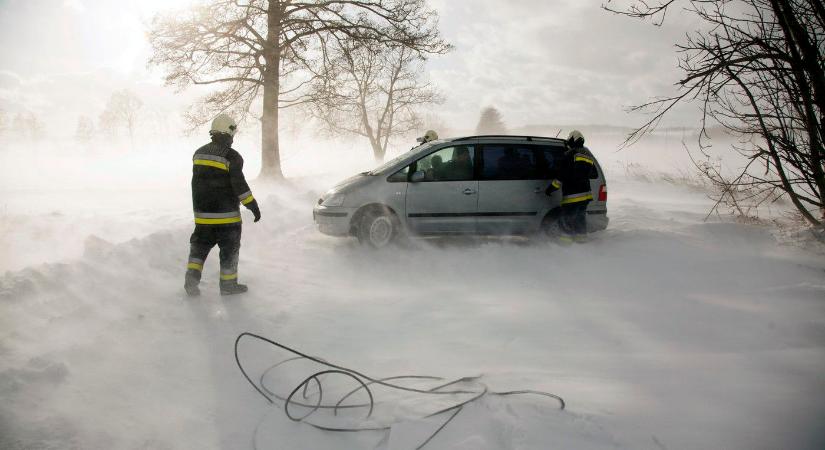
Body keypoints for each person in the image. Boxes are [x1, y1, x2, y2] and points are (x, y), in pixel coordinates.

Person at [184, 114, 262, 296]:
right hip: (227, 219)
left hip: (202, 218)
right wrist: (252, 205)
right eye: (232, 136)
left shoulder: (198, 153)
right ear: (228, 133)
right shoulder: (231, 156)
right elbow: (239, 185)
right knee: (229, 252)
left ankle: (191, 282)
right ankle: (228, 286)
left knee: (198, 251)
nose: (233, 140)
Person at [547, 130, 596, 243]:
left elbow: (563, 175)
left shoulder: (570, 154)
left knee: (566, 219)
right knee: (580, 219)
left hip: (573, 195)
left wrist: (551, 188)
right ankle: (581, 241)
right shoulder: (588, 154)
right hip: (586, 195)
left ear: (573, 139)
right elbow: (592, 173)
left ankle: (565, 243)